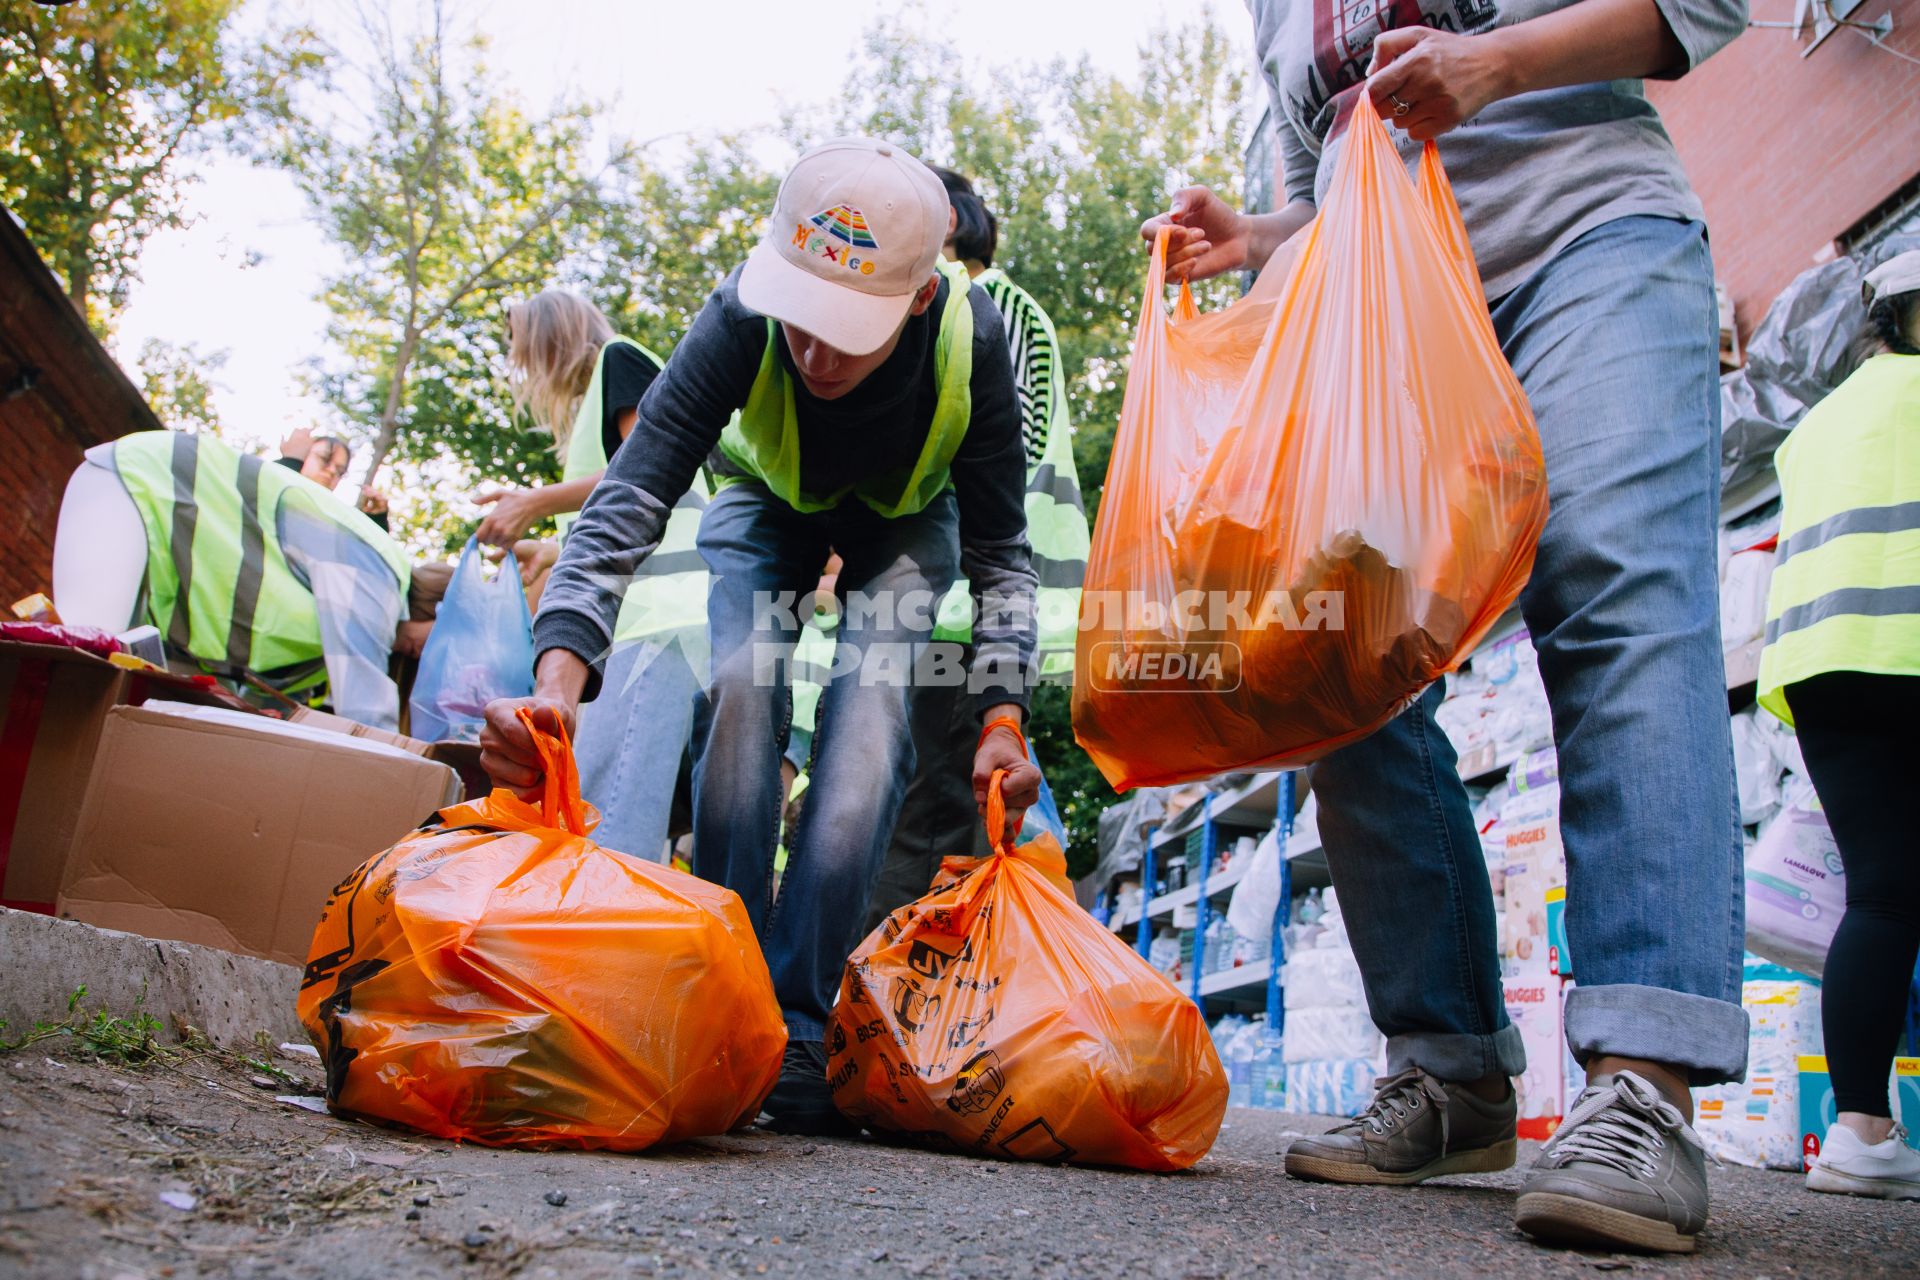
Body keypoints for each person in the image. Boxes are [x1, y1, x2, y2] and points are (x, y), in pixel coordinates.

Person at [1142, 0, 1749, 1253]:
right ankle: (1453, 1070)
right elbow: (1339, 184)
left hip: (1585, 241)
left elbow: (1703, 9)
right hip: (1389, 326)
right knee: (1333, 659)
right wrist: (1254, 234)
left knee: (1615, 590)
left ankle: (1645, 1086)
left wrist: (1498, 60)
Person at [477, 138, 1042, 1134]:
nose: (814, 353)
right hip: (767, 500)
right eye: (802, 322)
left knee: (867, 734)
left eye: (845, 331)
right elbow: (628, 500)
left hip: (908, 524)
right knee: (742, 687)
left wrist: (1004, 712)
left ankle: (799, 1027)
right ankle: (725, 993)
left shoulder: (974, 342)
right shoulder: (741, 311)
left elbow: (1001, 550)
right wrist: (557, 685)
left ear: (917, 299)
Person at [860, 166, 1089, 933]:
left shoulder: (988, 308)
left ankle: (897, 1025)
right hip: (958, 613)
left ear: (951, 220)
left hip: (964, 613)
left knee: (924, 836)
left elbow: (992, 468)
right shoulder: (973, 307)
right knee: (943, 831)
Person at [1757, 250, 1920, 1202]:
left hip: (1824, 674)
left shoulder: (1819, 423)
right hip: (1909, 645)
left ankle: (1859, 1131)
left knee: (1885, 898)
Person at [483, 289, 707, 862]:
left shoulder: (621, 359)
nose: (521, 360)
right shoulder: (596, 400)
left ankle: (590, 946)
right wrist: (552, 550)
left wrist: (531, 501)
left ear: (549, 334)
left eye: (522, 343)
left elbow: (650, 466)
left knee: (611, 823)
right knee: (614, 813)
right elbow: (617, 517)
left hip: (658, 620)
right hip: (631, 627)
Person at [55, 430, 412, 730]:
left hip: (187, 628)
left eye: (339, 471)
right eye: (324, 460)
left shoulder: (334, 567)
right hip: (132, 485)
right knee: (87, 676)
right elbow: (368, 716)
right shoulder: (373, 566)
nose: (331, 474)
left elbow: (262, 708)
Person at [277, 427, 391, 529]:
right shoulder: (270, 480)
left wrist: (377, 520)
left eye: (340, 471)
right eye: (324, 458)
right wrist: (291, 462)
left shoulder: (332, 522)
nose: (332, 471)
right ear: (303, 456)